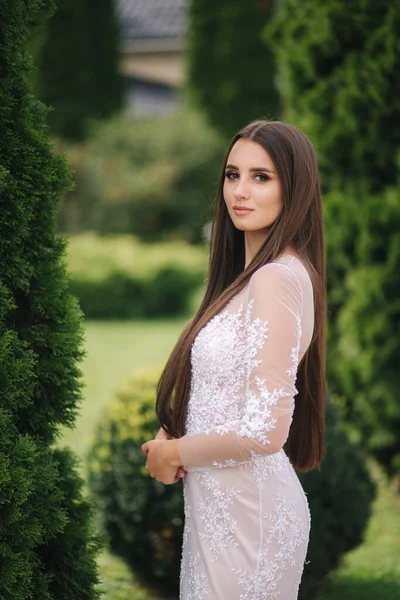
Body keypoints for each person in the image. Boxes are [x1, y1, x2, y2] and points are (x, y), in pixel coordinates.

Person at [141, 119, 327, 599]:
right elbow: (226, 388)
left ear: (296, 187)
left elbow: (266, 430)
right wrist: (175, 429)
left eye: (261, 177)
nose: (240, 191)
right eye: (232, 174)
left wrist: (174, 453)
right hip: (220, 507)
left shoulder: (275, 279)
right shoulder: (250, 278)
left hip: (251, 519)